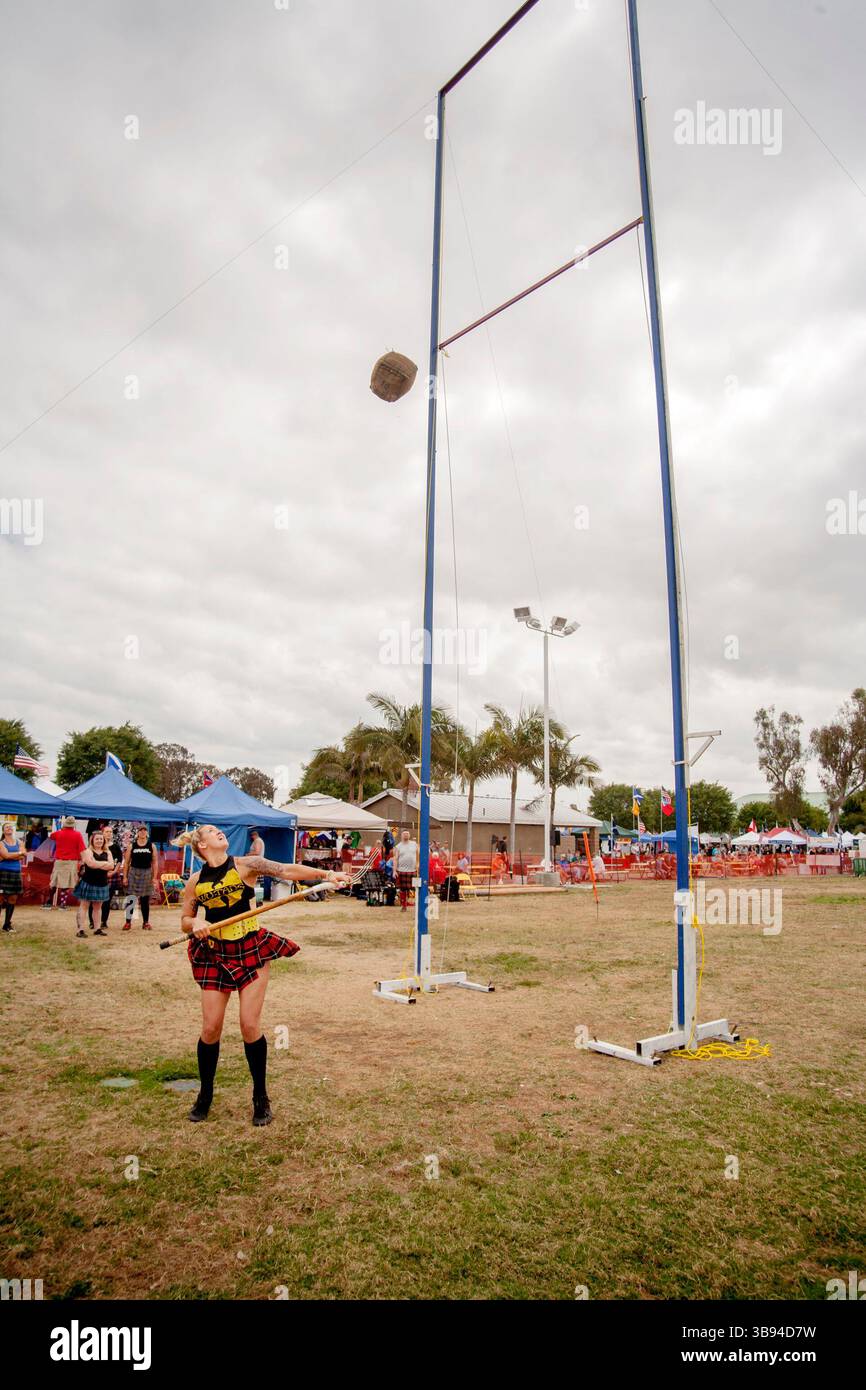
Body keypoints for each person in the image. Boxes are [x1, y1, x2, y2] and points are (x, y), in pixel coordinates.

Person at [175, 824, 350, 1126]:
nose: (219, 833)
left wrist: (325, 876)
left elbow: (285, 870)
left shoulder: (247, 865)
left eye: (219, 830)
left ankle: (260, 1096)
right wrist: (196, 924)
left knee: (249, 1025)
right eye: (211, 831)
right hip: (215, 954)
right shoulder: (194, 882)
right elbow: (185, 919)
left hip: (250, 950)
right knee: (210, 1029)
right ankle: (205, 1095)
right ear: (202, 845)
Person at [75, 831, 114, 937]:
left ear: (104, 840)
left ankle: (97, 929)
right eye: (97, 839)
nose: (99, 841)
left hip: (102, 883)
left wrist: (98, 864)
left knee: (98, 907)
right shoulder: (88, 851)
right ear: (92, 840)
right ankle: (80, 930)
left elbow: (111, 866)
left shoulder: (108, 852)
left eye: (101, 839)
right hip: (89, 882)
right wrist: (105, 864)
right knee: (84, 906)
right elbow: (90, 864)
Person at [122, 825, 159, 931]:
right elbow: (127, 863)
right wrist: (125, 877)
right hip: (133, 872)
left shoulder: (151, 846)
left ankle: (146, 922)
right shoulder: (131, 846)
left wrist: (154, 877)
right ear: (137, 833)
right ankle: (128, 922)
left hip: (146, 873)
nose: (142, 832)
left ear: (147, 833)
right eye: (140, 830)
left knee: (145, 900)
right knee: (131, 899)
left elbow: (155, 862)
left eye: (144, 830)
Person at [89, 823, 122, 932]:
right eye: (107, 832)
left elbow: (119, 861)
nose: (109, 834)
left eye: (111, 832)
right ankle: (92, 922)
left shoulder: (116, 846)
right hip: (97, 875)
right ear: (102, 834)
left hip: (112, 875)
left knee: (107, 900)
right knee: (94, 899)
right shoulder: (97, 846)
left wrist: (114, 871)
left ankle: (104, 922)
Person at [48, 816, 86, 909]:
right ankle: (62, 903)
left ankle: (48, 902)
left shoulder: (58, 833)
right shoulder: (77, 835)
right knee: (66, 883)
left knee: (54, 882)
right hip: (71, 862)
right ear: (74, 825)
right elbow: (82, 849)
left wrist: (61, 829)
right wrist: (84, 860)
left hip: (59, 861)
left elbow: (51, 836)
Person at [0, 822, 26, 933]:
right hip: (3, 872)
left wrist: (11, 856)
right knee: (0, 898)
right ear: (3, 831)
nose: (9, 828)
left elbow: (24, 854)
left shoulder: (20, 842)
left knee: (13, 898)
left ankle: (7, 924)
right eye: (6, 827)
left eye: (10, 827)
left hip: (16, 873)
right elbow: (5, 855)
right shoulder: (1, 843)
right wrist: (18, 854)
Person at [393, 830, 418, 912]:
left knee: (417, 888)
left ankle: (418, 905)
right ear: (401, 835)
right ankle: (404, 906)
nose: (406, 835)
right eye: (404, 834)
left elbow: (419, 855)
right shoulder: (398, 846)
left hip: (413, 870)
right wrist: (394, 871)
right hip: (402, 870)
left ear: (409, 835)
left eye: (407, 833)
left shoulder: (414, 844)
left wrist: (419, 866)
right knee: (403, 890)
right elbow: (395, 859)